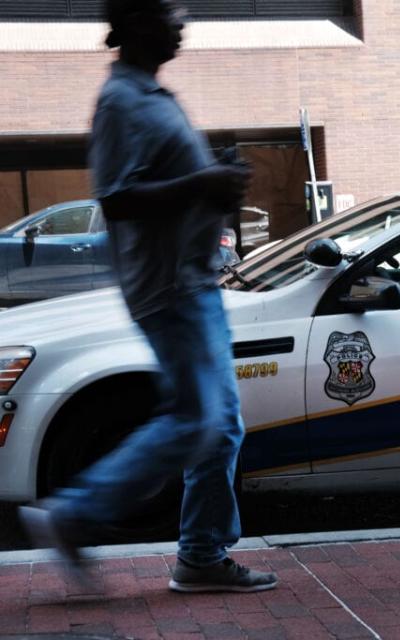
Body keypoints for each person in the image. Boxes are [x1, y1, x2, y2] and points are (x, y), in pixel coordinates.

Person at [19, 0, 278, 593]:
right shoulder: (120, 102)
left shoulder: (152, 95)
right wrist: (203, 182)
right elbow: (115, 197)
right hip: (169, 288)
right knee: (198, 420)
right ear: (138, 24)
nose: (181, 20)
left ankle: (202, 556)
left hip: (194, 280)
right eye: (168, 11)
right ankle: (72, 515)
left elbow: (163, 185)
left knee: (222, 425)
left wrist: (213, 184)